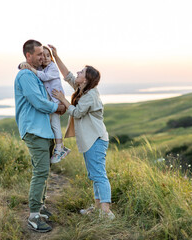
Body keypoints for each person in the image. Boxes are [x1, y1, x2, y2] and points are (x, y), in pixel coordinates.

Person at [49, 44, 115, 219]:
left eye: (81, 72)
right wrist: (56, 56)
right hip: (90, 140)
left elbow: (77, 113)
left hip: (96, 139)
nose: (77, 73)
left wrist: (62, 99)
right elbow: (67, 75)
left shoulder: (91, 95)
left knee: (99, 174)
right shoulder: (82, 89)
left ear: (86, 79)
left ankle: (106, 212)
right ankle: (97, 207)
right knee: (94, 174)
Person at [14, 39, 66, 232]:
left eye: (43, 54)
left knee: (44, 171)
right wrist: (58, 107)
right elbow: (38, 101)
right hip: (34, 130)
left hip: (44, 131)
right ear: (28, 55)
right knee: (40, 172)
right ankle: (34, 215)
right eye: (38, 54)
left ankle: (41, 206)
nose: (42, 57)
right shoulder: (26, 75)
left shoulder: (37, 74)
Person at [19, 46, 71, 164]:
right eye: (43, 55)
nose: (45, 58)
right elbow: (31, 66)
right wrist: (23, 65)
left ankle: (59, 148)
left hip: (56, 99)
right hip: (52, 100)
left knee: (55, 124)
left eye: (48, 55)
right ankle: (60, 147)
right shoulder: (43, 67)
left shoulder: (52, 67)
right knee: (52, 124)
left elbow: (44, 77)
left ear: (51, 57)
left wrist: (32, 70)